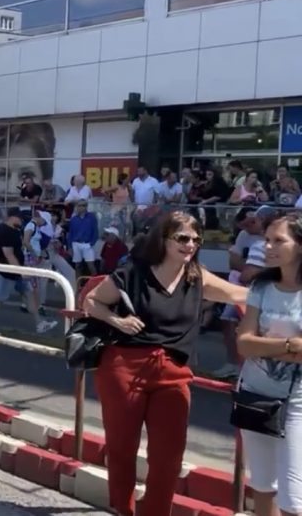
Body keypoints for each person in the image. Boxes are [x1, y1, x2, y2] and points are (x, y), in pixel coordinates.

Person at [83, 211, 246, 516]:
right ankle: (123, 508)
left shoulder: (197, 276)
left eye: (196, 239)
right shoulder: (134, 272)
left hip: (173, 371)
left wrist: (285, 291)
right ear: (164, 239)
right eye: (182, 238)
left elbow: (243, 294)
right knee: (122, 446)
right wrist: (117, 320)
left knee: (169, 454)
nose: (190, 244)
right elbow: (91, 300)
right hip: (124, 367)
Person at [237, 213, 302, 516]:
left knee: (293, 498)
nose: (269, 247)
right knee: (263, 485)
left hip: (297, 402)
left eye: (279, 240)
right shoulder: (261, 287)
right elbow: (243, 342)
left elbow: (253, 343)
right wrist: (288, 346)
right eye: (267, 240)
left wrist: (262, 347)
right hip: (255, 394)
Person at [0, 207, 55, 335]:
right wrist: (20, 270)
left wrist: (21, 268)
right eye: (20, 218)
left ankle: (40, 323)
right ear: (13, 217)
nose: (21, 221)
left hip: (16, 269)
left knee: (28, 293)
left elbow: (16, 251)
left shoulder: (14, 230)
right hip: (6, 270)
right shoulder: (4, 230)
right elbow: (8, 254)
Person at [67, 200, 99, 278]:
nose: (81, 207)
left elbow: (95, 232)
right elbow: (70, 233)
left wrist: (91, 243)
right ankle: (77, 285)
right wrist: (70, 246)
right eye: (79, 205)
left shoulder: (91, 217)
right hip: (76, 244)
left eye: (83, 205)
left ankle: (96, 284)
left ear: (86, 207)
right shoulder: (74, 219)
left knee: (91, 265)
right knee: (77, 265)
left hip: (87, 244)